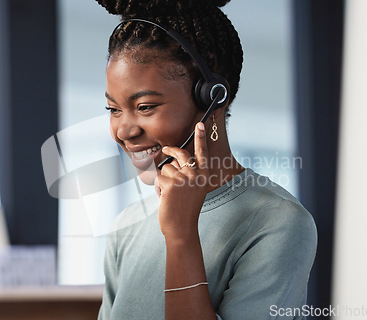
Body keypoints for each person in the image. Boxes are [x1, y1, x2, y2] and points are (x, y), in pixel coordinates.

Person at [95, 0, 317, 319]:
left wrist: (182, 235)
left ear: (212, 98)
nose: (123, 131)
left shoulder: (278, 222)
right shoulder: (126, 225)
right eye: (113, 109)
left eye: (144, 107)